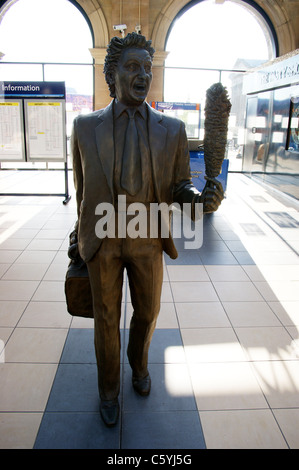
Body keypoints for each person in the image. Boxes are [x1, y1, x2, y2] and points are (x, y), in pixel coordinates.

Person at [71, 32, 223, 426]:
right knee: (106, 316)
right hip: (103, 238)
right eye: (133, 67)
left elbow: (179, 185)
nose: (142, 75)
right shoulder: (85, 128)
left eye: (148, 68)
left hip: (147, 236)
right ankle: (108, 389)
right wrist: (78, 236)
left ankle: (138, 366)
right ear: (113, 74)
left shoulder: (171, 129)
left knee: (148, 312)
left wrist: (197, 200)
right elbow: (82, 190)